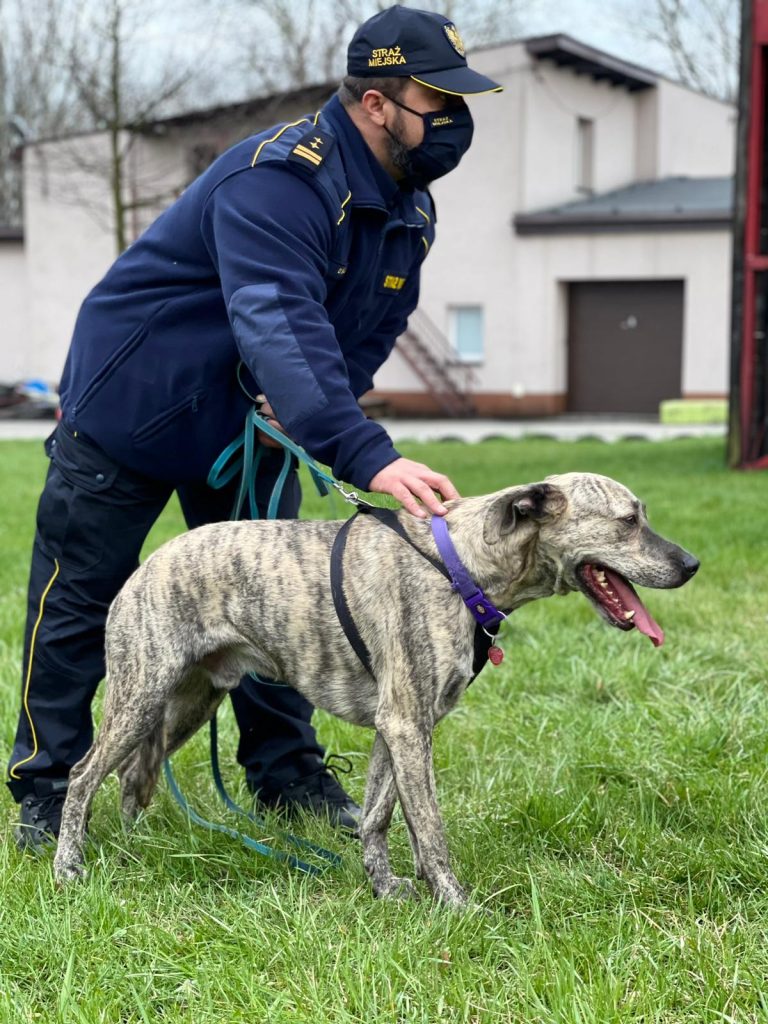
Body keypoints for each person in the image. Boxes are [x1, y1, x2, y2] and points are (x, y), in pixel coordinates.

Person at [7, 4, 502, 849]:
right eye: (437, 102)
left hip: (252, 422)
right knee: (81, 598)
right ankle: (49, 787)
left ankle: (286, 775)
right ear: (376, 102)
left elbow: (364, 332)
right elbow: (277, 320)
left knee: (275, 595)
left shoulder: (407, 206)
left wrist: (314, 408)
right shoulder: (278, 180)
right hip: (137, 404)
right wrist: (364, 454)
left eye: (459, 101)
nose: (453, 122)